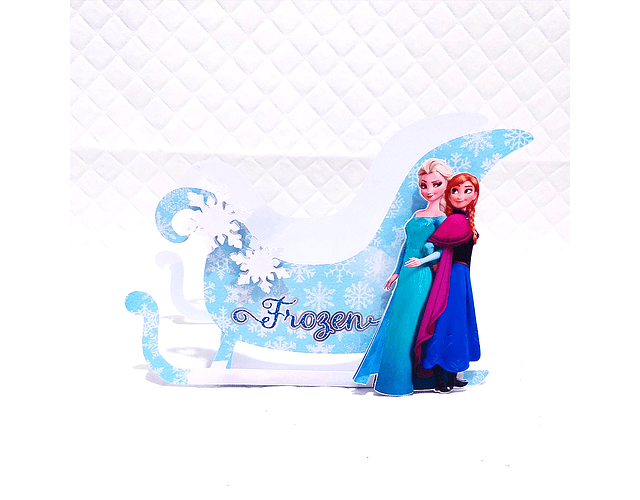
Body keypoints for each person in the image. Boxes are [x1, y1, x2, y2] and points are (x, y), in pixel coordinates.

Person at [353, 159, 454, 396]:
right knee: (396, 324)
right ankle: (392, 381)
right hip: (407, 275)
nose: (429, 191)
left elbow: (443, 251)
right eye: (423, 185)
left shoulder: (442, 218)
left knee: (408, 326)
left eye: (436, 184)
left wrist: (423, 261)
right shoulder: (418, 214)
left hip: (421, 277)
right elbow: (407, 246)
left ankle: (402, 381)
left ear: (446, 185)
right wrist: (397, 271)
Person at [413, 172, 481, 393]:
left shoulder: (463, 219)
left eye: (467, 191)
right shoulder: (454, 220)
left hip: (462, 276)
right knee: (447, 321)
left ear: (475, 194)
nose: (460, 195)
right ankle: (440, 378)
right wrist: (432, 263)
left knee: (457, 322)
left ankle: (452, 372)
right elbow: (431, 245)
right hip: (452, 275)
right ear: (449, 194)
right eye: (455, 191)